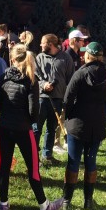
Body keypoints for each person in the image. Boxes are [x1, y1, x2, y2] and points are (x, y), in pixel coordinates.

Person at [0, 44, 64, 210]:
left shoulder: (3, 77)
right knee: (32, 168)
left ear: (12, 59)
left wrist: (9, 113)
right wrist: (28, 120)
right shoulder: (31, 81)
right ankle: (44, 206)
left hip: (4, 127)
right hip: (23, 128)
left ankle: (3, 203)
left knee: (4, 167)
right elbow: (34, 111)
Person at [61, 42, 106, 210]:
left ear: (88, 56)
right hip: (96, 124)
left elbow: (67, 100)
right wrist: (103, 123)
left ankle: (67, 200)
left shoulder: (79, 74)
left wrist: (67, 119)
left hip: (78, 123)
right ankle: (87, 201)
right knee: (91, 162)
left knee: (73, 161)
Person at [34, 34, 75, 165]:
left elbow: (71, 79)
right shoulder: (39, 58)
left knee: (51, 128)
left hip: (57, 99)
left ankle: (47, 155)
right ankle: (33, 156)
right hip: (42, 98)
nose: (41, 45)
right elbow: (35, 76)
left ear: (50, 44)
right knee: (36, 128)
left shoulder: (65, 58)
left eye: (42, 43)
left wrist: (66, 96)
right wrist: (43, 84)